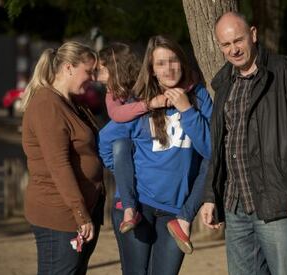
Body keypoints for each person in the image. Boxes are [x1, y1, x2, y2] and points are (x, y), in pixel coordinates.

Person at [200, 12, 287, 275]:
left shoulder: (286, 72)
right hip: (235, 205)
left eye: (238, 40)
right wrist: (211, 196)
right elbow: (220, 145)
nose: (233, 49)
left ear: (253, 34)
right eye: (226, 44)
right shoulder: (223, 82)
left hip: (278, 201)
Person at [99, 35, 212, 274]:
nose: (169, 68)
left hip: (176, 209)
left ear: (182, 61)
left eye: (173, 60)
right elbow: (107, 141)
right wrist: (124, 174)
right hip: (138, 206)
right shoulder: (142, 100)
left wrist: (187, 111)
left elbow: (212, 150)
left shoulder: (199, 96)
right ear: (151, 70)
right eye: (160, 63)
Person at [21, 41, 105, 275]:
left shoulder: (71, 103)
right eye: (88, 71)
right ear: (68, 68)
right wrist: (80, 213)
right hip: (59, 216)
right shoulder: (47, 104)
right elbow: (58, 165)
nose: (93, 78)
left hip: (79, 212)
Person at [97, 43, 171, 235]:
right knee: (116, 144)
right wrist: (147, 105)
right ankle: (129, 204)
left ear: (115, 67)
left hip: (150, 146)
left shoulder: (143, 84)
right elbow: (117, 116)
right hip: (128, 149)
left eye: (101, 68)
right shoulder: (111, 93)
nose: (95, 73)